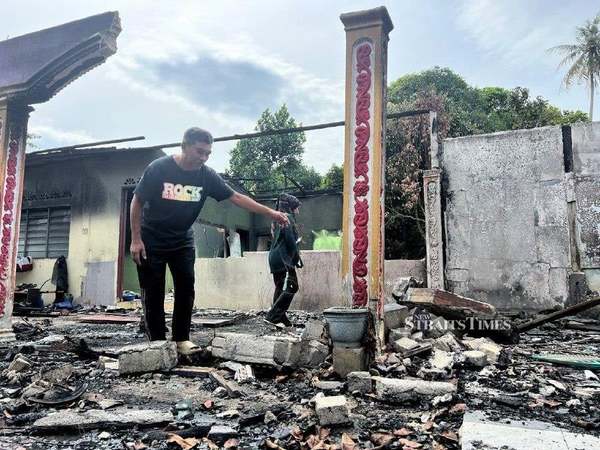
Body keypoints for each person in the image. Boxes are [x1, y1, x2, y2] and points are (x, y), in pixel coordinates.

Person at [130, 127, 289, 356]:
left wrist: (270, 213)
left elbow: (236, 197)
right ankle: (156, 342)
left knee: (186, 288)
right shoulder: (159, 168)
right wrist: (136, 240)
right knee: (153, 291)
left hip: (182, 238)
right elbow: (136, 201)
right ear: (184, 146)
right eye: (199, 152)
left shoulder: (206, 175)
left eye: (208, 154)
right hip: (152, 237)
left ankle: (181, 339)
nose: (203, 158)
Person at [266, 193, 303, 327]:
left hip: (274, 257)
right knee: (293, 286)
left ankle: (281, 317)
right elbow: (290, 241)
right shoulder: (287, 218)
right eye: (296, 208)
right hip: (283, 258)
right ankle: (273, 316)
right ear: (291, 208)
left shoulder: (276, 219)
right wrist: (296, 257)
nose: (298, 211)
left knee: (280, 287)